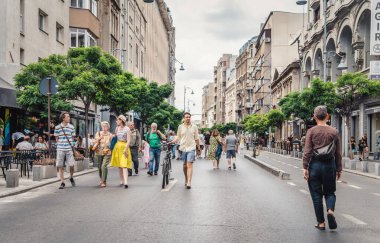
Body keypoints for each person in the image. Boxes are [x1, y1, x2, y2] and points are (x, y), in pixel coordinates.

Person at [303, 106, 342, 231]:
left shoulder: (311, 131)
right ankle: (330, 210)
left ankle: (321, 223)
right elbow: (338, 153)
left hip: (314, 165)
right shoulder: (334, 131)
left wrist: (305, 167)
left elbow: (307, 151)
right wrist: (339, 168)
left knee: (316, 195)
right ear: (328, 116)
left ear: (314, 117)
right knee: (330, 192)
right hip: (329, 165)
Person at [171, 112, 201, 189]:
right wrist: (173, 141)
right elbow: (178, 136)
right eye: (186, 117)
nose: (188, 118)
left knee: (189, 164)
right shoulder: (180, 127)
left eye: (189, 117)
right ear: (184, 118)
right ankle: (186, 178)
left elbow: (197, 138)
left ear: (190, 118)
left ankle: (189, 182)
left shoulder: (194, 127)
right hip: (183, 148)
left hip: (191, 147)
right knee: (184, 165)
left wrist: (198, 148)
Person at [54, 112, 76, 189]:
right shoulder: (57, 127)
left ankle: (71, 176)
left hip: (69, 148)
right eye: (67, 117)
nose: (69, 118)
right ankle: (62, 182)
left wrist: (72, 146)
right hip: (60, 149)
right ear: (63, 118)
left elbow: (73, 138)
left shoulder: (72, 127)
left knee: (71, 165)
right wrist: (60, 144)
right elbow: (56, 138)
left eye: (69, 117)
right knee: (60, 166)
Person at [110, 115, 133, 189]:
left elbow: (129, 140)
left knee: (124, 165)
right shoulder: (117, 128)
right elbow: (116, 136)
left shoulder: (127, 129)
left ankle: (126, 182)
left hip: (124, 147)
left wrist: (125, 150)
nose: (116, 121)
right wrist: (112, 136)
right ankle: (121, 180)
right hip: (117, 147)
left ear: (121, 120)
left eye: (117, 120)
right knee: (119, 165)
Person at [93, 121, 112, 188]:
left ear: (108, 127)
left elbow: (111, 145)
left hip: (107, 152)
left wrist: (109, 142)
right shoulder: (98, 133)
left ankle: (103, 181)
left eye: (105, 126)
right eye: (103, 126)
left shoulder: (110, 135)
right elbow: (94, 142)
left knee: (104, 166)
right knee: (100, 167)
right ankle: (102, 179)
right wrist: (99, 138)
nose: (104, 127)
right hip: (99, 152)